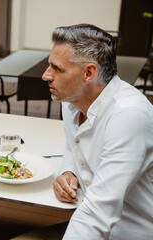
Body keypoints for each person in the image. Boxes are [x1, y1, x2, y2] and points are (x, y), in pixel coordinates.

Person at [42, 24, 153, 239]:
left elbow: (98, 211)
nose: (46, 75)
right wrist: (68, 170)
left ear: (89, 73)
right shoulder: (72, 100)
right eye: (50, 65)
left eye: (57, 68)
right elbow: (72, 144)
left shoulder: (128, 116)